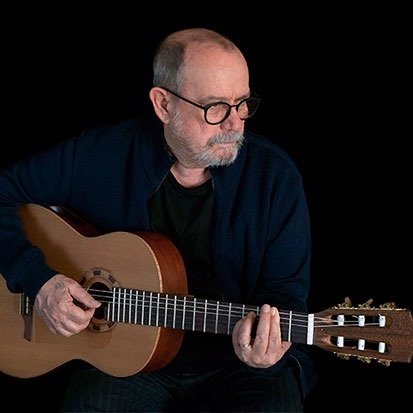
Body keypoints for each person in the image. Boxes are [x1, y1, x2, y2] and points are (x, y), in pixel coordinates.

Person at [0, 28, 317, 412]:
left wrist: (269, 349)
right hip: (125, 362)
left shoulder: (275, 179)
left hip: (237, 366)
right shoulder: (100, 155)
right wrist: (38, 280)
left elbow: (286, 298)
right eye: (215, 107)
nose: (235, 124)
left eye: (242, 104)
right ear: (163, 104)